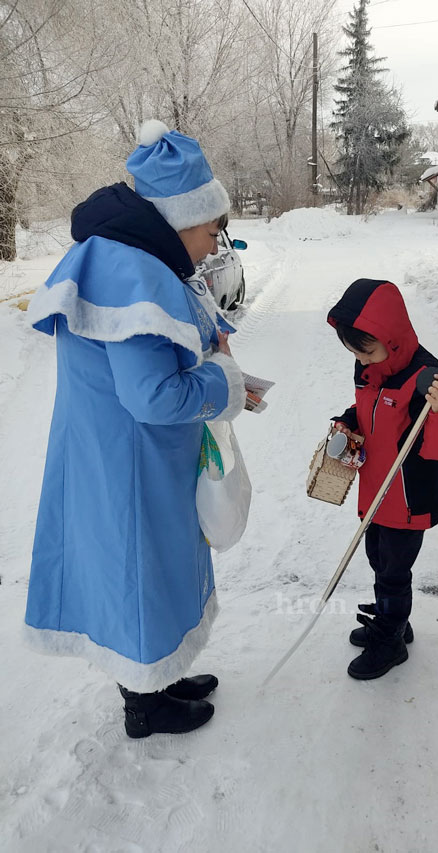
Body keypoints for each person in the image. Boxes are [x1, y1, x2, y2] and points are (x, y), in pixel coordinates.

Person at [24, 120, 247, 738]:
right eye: (210, 232)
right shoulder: (133, 273)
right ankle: (146, 705)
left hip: (119, 453)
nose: (212, 247)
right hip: (129, 463)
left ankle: (163, 675)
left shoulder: (122, 255)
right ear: (180, 219)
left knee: (156, 568)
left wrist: (212, 357)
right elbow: (151, 394)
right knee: (140, 572)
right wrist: (223, 383)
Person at [327, 278, 438, 680]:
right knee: (377, 560)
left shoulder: (426, 379)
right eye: (354, 351)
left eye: (365, 351)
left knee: (393, 571)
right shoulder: (370, 369)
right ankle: (393, 622)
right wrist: (345, 423)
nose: (361, 360)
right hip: (376, 490)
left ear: (391, 337)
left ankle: (391, 641)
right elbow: (366, 411)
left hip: (406, 498)